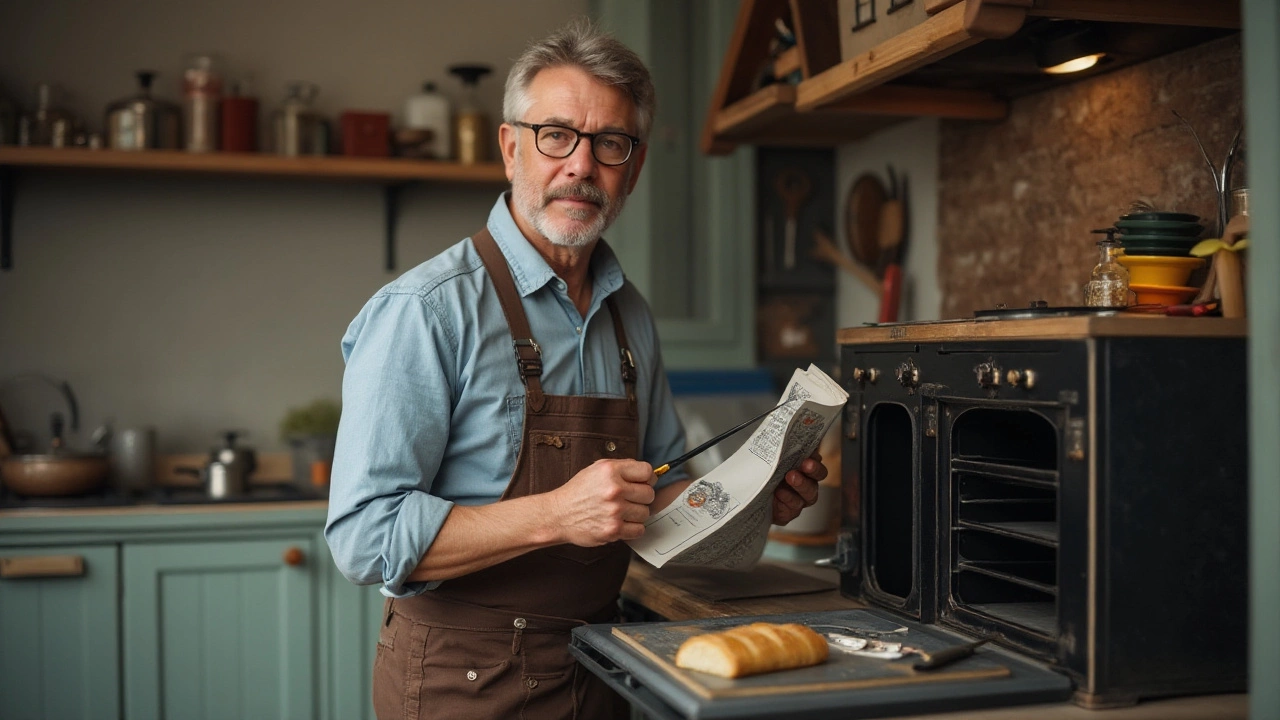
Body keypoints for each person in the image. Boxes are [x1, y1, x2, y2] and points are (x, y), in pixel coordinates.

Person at [325, 18, 830, 720]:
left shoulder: (632, 317)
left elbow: (653, 489)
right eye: (555, 135)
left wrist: (745, 499)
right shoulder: (427, 310)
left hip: (601, 669)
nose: (581, 166)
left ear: (635, 166)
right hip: (459, 685)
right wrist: (559, 514)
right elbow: (363, 538)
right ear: (510, 148)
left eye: (609, 144)